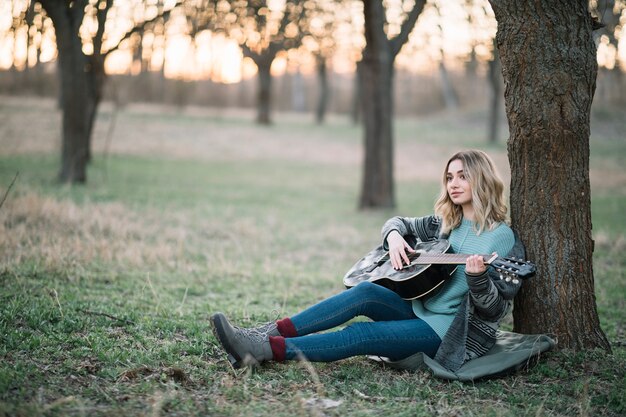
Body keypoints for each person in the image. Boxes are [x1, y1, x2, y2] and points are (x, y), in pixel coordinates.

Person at [210, 149, 526, 372]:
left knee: (359, 335)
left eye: (462, 176)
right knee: (365, 293)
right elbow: (396, 222)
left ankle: (265, 351)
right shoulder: (445, 223)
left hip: (447, 334)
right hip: (417, 309)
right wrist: (394, 238)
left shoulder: (500, 238)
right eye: (449, 177)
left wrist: (478, 278)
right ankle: (265, 333)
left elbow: (495, 309)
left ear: (481, 180)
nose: (453, 184)